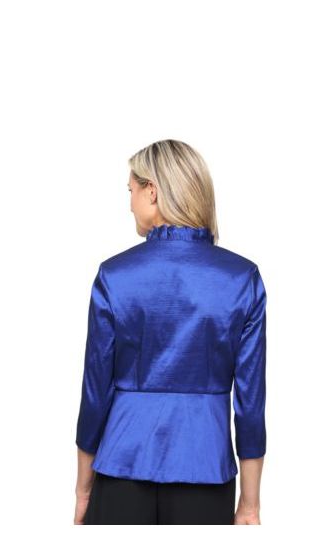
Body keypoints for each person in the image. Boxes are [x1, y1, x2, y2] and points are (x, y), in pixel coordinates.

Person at [73, 139, 267, 525]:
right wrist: (250, 503)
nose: (129, 203)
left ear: (152, 191)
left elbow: (95, 393)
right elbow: (250, 403)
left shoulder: (115, 276)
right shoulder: (241, 279)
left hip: (121, 464)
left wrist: (83, 489)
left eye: (130, 190)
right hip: (205, 466)